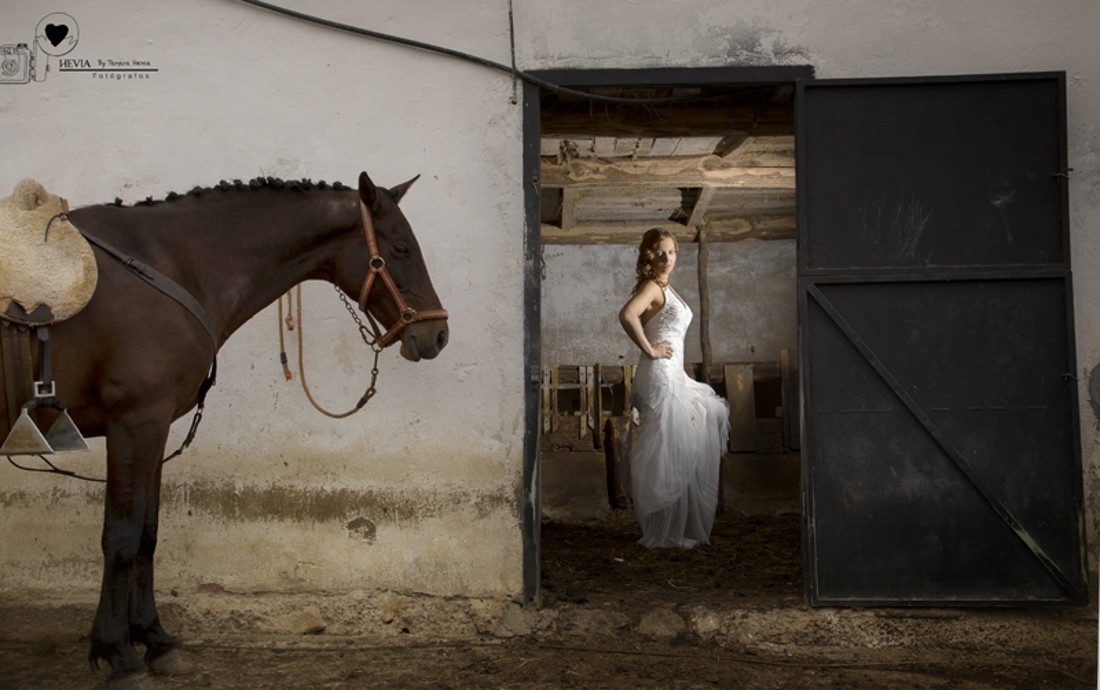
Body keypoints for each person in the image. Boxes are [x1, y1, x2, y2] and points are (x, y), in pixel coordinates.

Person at [618, 228, 730, 548]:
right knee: (666, 447)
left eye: (672, 252)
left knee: (708, 413)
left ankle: (673, 526)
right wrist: (651, 350)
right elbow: (627, 315)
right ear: (648, 256)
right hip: (659, 374)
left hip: (673, 373)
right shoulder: (652, 286)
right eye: (660, 253)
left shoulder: (666, 286)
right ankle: (662, 531)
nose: (667, 258)